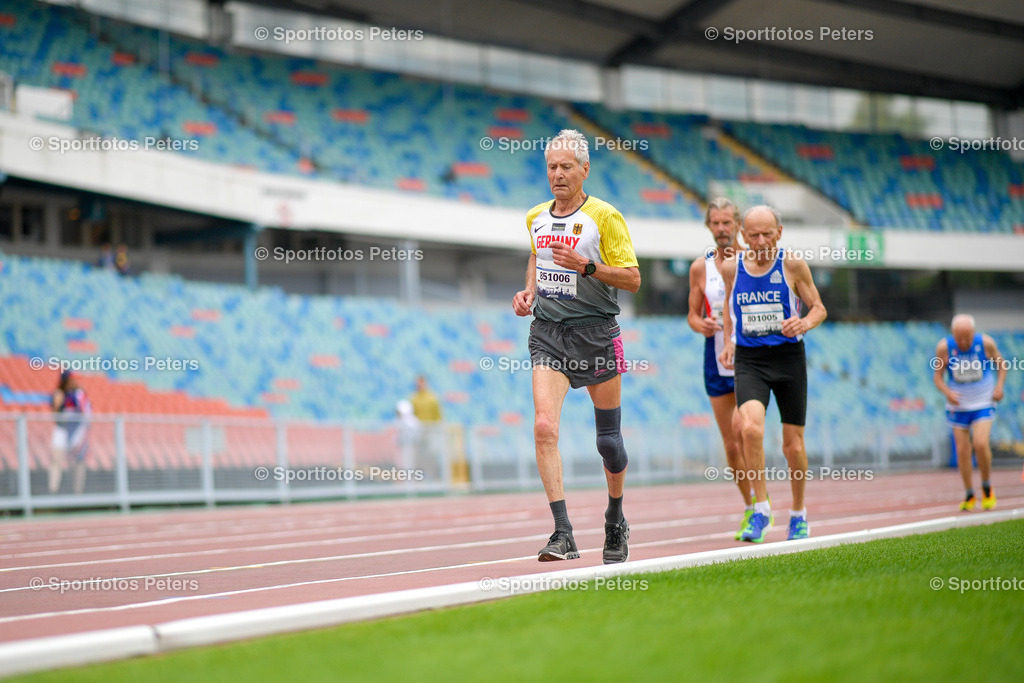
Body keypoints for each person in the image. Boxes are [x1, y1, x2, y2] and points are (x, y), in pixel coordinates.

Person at [512, 129, 640, 564]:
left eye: (567, 166)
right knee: (544, 427)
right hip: (548, 333)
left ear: (585, 169)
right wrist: (528, 291)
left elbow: (633, 279)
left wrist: (587, 266)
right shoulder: (535, 216)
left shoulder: (605, 217)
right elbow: (536, 254)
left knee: (608, 441)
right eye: (552, 166)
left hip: (597, 334)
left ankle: (615, 516)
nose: (558, 174)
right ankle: (563, 532)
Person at [720, 205, 827, 543]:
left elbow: (819, 307)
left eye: (768, 233)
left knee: (792, 445)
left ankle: (798, 513)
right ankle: (762, 509)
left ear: (779, 232)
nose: (761, 240)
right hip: (750, 359)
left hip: (788, 358)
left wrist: (805, 322)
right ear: (742, 236)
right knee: (750, 428)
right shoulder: (731, 268)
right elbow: (728, 304)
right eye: (753, 235)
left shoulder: (792, 265)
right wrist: (728, 340)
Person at [688, 198, 752, 539]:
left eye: (728, 223)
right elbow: (692, 315)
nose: (722, 229)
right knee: (730, 444)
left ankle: (762, 503)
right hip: (715, 359)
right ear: (709, 227)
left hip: (749, 357)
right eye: (716, 223)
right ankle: (751, 505)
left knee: (745, 430)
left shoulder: (752, 261)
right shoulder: (701, 267)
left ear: (738, 225)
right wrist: (703, 325)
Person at [932, 314, 1006, 511]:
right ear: (953, 334)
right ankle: (969, 494)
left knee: (980, 443)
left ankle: (987, 486)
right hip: (959, 405)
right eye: (959, 337)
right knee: (963, 450)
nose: (963, 342)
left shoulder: (986, 343)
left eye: (967, 337)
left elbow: (1002, 364)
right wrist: (947, 392)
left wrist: (999, 387)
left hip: (983, 401)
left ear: (973, 333)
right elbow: (938, 377)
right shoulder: (944, 348)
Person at [49, 370, 91, 494]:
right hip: (62, 431)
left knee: (79, 463)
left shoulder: (80, 394)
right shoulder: (59, 394)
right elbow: (55, 414)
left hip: (77, 432)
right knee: (56, 460)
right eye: (73, 379)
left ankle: (78, 494)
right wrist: (59, 400)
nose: (76, 382)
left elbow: (86, 413)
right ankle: (53, 492)